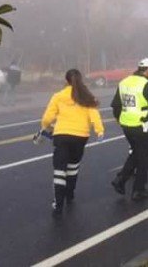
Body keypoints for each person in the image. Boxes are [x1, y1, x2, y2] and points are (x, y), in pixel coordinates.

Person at [39, 69, 104, 216]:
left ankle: (58, 204)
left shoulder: (58, 96)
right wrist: (99, 130)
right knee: (73, 167)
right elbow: (94, 115)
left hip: (61, 135)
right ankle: (70, 194)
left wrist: (46, 127)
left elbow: (47, 117)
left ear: (66, 80)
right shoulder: (86, 96)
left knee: (59, 170)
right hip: (80, 136)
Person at [111, 58, 148, 201]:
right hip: (140, 125)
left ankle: (121, 180)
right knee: (145, 156)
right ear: (147, 70)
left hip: (127, 125)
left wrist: (120, 119)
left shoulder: (124, 82)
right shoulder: (145, 84)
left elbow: (116, 105)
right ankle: (138, 190)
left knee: (136, 153)